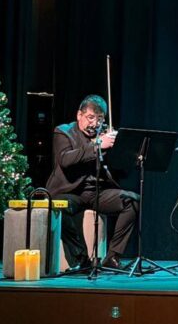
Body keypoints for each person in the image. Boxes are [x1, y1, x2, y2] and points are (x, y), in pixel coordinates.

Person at [46, 95, 140, 271]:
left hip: (98, 192)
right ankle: (80, 260)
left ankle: (112, 257)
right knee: (60, 206)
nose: (95, 123)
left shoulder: (106, 136)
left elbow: (122, 171)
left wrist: (122, 151)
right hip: (70, 191)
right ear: (79, 115)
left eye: (100, 119)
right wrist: (97, 145)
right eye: (90, 117)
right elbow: (65, 159)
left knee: (133, 200)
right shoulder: (63, 131)